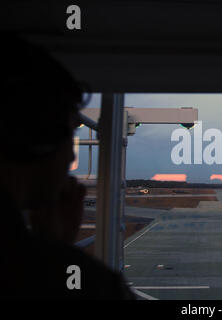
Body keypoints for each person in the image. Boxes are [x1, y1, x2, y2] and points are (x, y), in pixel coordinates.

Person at [0, 34, 134, 299]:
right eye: (69, 137)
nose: (70, 161)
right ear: (41, 139)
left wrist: (51, 246)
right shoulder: (94, 286)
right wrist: (55, 256)